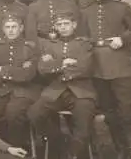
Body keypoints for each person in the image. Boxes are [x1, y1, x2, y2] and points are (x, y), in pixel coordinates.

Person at [81, 0, 131, 159]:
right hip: (97, 68)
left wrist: (122, 39)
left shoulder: (122, 8)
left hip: (121, 67)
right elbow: (82, 40)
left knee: (128, 111)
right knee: (109, 112)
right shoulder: (85, 12)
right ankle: (120, 149)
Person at [27, 10, 97, 159]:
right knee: (34, 114)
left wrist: (55, 66)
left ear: (74, 25)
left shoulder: (84, 44)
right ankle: (58, 140)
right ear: (56, 27)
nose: (63, 27)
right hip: (55, 91)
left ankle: (73, 154)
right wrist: (63, 63)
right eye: (59, 24)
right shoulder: (49, 46)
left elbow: (85, 68)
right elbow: (42, 69)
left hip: (81, 91)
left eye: (66, 24)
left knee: (83, 125)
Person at [0, 13, 40, 150]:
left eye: (14, 27)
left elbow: (28, 76)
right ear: (3, 29)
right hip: (1, 89)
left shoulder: (29, 48)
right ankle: (2, 145)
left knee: (13, 113)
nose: (11, 30)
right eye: (8, 27)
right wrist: (16, 71)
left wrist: (3, 70)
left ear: (21, 28)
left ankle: (18, 146)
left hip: (25, 91)